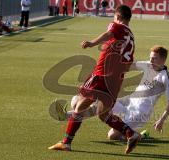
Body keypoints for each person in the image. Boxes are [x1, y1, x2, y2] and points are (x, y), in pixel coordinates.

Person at [48, 5, 140, 154]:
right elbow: (128, 64)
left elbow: (108, 34)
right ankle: (131, 133)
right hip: (116, 81)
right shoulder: (131, 38)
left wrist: (92, 43)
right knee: (103, 114)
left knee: (79, 107)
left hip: (102, 74)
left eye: (114, 17)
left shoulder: (117, 26)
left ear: (118, 17)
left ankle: (66, 142)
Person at [51, 45, 169, 140]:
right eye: (150, 58)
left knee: (112, 136)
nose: (151, 61)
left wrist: (161, 120)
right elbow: (126, 66)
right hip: (127, 101)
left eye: (154, 59)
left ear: (163, 60)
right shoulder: (148, 65)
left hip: (139, 112)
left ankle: (138, 136)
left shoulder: (166, 78)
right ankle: (66, 115)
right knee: (99, 106)